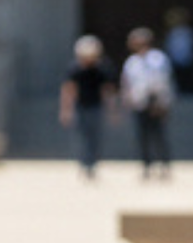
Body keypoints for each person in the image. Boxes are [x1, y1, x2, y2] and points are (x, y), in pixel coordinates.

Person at [58, 34, 117, 179]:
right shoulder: (75, 69)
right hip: (80, 106)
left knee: (95, 137)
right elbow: (68, 89)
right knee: (82, 137)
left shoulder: (102, 68)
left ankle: (92, 164)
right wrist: (66, 110)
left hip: (96, 106)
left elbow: (108, 90)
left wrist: (112, 109)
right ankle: (84, 164)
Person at [121, 26, 176, 178]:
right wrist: (127, 99)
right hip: (139, 103)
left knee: (159, 136)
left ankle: (165, 165)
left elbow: (164, 80)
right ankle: (146, 166)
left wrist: (163, 102)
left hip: (156, 102)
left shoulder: (158, 58)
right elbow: (127, 83)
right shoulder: (131, 62)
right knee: (142, 137)